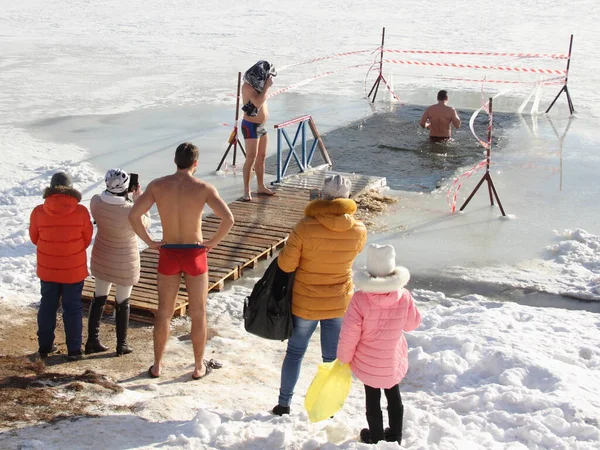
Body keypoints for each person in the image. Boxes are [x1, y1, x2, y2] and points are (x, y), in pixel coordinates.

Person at [129, 142, 234, 380]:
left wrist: (150, 242)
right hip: (195, 253)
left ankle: (157, 366)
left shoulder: (158, 185)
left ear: (175, 161)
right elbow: (228, 218)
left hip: (168, 251)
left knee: (164, 312)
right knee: (198, 312)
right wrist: (212, 242)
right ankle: (198, 367)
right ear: (196, 163)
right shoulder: (203, 187)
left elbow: (133, 214)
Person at [272, 174, 367, 416]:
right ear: (347, 200)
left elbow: (286, 266)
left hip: (306, 300)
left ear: (322, 197)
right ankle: (328, 406)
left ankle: (284, 404)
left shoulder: (305, 226)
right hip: (338, 300)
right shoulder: (358, 229)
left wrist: (277, 291)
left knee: (295, 352)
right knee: (331, 358)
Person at [337, 244, 422, 445]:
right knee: (394, 396)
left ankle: (375, 437)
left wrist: (344, 358)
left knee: (372, 398)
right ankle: (395, 436)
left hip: (368, 360)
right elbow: (412, 324)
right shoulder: (403, 296)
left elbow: (350, 333)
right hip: (392, 358)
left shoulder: (360, 299)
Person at [29, 172, 93, 361]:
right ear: (70, 189)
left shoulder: (38, 211)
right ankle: (74, 349)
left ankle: (45, 347)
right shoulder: (81, 211)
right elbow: (86, 239)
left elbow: (35, 238)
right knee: (72, 307)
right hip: (73, 270)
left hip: (48, 268)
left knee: (47, 305)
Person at [86, 169, 151, 356]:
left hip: (102, 256)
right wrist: (138, 200)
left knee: (99, 298)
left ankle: (92, 340)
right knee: (123, 301)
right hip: (125, 261)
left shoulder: (95, 202)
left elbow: (108, 206)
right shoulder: (131, 210)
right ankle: (121, 345)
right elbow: (146, 223)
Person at [241, 60, 276, 202]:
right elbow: (257, 103)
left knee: (261, 157)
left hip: (262, 126)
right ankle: (246, 189)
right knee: (251, 158)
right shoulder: (248, 87)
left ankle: (261, 186)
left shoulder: (259, 87)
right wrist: (267, 87)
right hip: (250, 126)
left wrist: (265, 87)